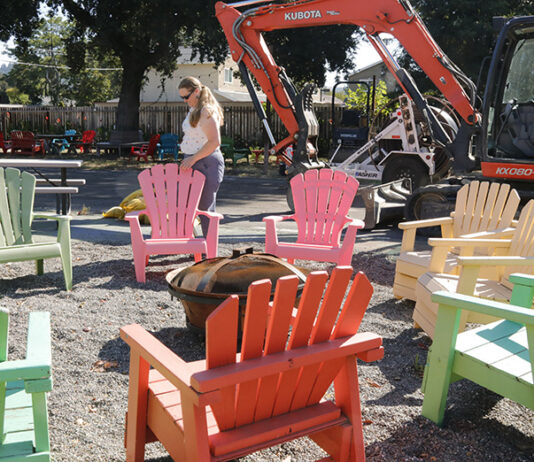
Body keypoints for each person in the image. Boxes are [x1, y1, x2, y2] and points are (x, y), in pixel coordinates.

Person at [178, 76, 225, 236]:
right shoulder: (195, 109)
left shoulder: (206, 111)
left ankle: (209, 246)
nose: (185, 100)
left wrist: (193, 158)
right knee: (186, 205)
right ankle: (191, 242)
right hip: (194, 160)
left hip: (205, 161)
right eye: (182, 97)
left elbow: (214, 142)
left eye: (186, 96)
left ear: (196, 91)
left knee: (205, 208)